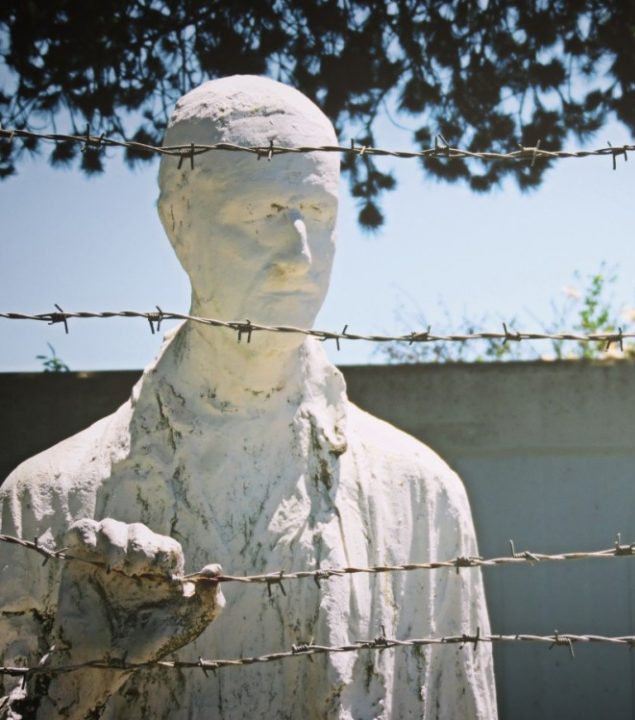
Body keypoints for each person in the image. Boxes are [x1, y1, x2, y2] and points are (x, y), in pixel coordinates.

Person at [0, 75, 497, 720]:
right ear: (177, 222)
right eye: (260, 211)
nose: (299, 252)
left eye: (318, 213)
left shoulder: (421, 494)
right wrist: (77, 683)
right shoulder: (46, 500)